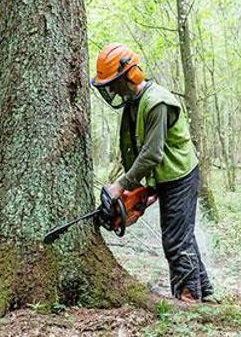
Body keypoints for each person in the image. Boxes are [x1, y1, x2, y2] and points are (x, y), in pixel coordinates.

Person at [91, 43, 213, 303]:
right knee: (181, 236)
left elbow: (153, 153)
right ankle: (205, 291)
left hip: (180, 175)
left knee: (175, 240)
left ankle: (189, 298)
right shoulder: (133, 105)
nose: (111, 89)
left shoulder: (156, 102)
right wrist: (144, 189)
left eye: (114, 83)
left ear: (130, 76)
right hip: (166, 176)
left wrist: (121, 185)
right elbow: (136, 150)